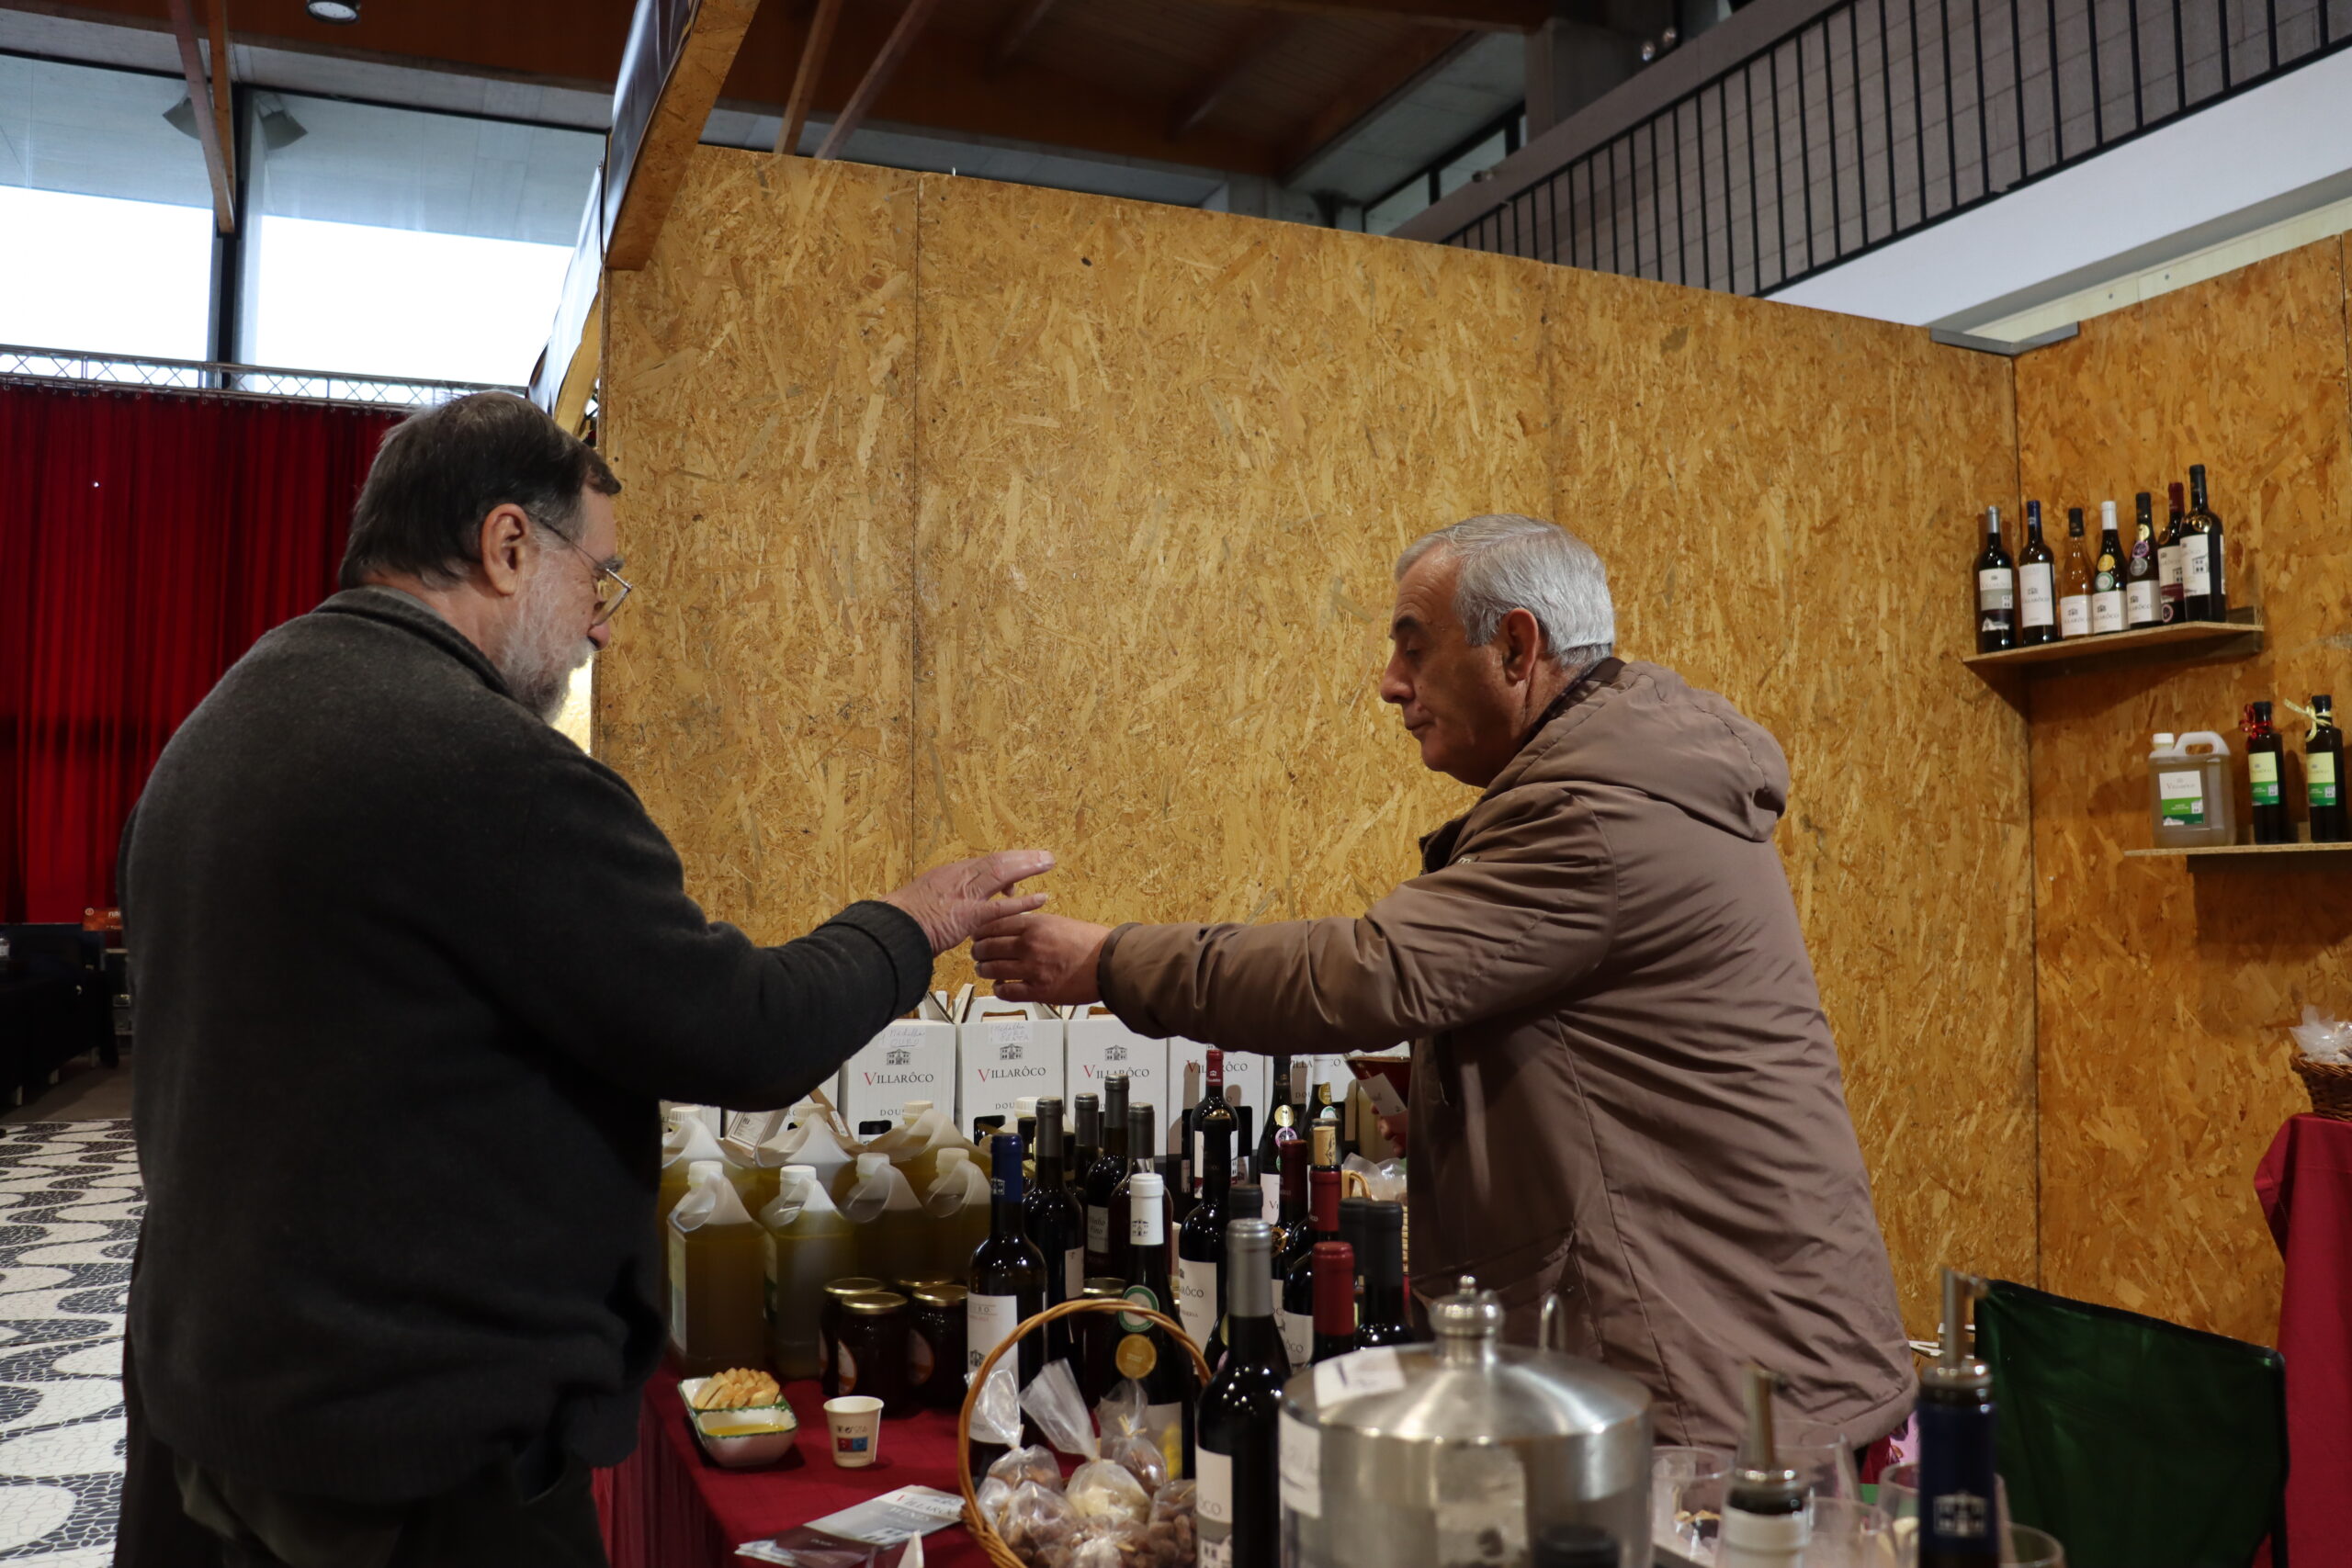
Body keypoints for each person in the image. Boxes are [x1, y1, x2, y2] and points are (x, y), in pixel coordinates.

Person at [116, 392, 1050, 1568]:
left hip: (216, 1409)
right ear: (508, 545)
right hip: (408, 1463)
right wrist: (915, 920)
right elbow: (742, 1031)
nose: (602, 629)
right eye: (598, 579)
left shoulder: (226, 720)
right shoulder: (478, 763)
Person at [974, 513, 1912, 1453]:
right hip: (1731, 1356)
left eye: (1414, 648)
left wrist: (1108, 961)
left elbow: (1365, 973)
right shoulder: (1623, 777)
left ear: (1516, 648)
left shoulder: (1591, 815)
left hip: (1721, 1390)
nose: (1391, 684)